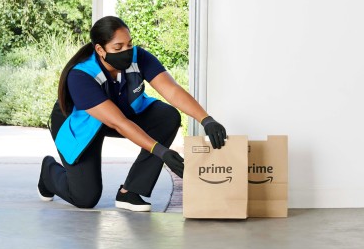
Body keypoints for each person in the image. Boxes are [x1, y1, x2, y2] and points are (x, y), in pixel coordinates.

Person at [37, 16, 227, 211]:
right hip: (81, 125)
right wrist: (162, 152)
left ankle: (131, 192)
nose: (127, 52)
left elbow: (171, 89)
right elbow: (118, 122)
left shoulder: (139, 57)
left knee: (167, 116)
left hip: (122, 115)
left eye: (129, 45)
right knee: (85, 198)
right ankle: (49, 172)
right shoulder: (81, 75)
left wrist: (206, 120)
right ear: (100, 50)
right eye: (118, 48)